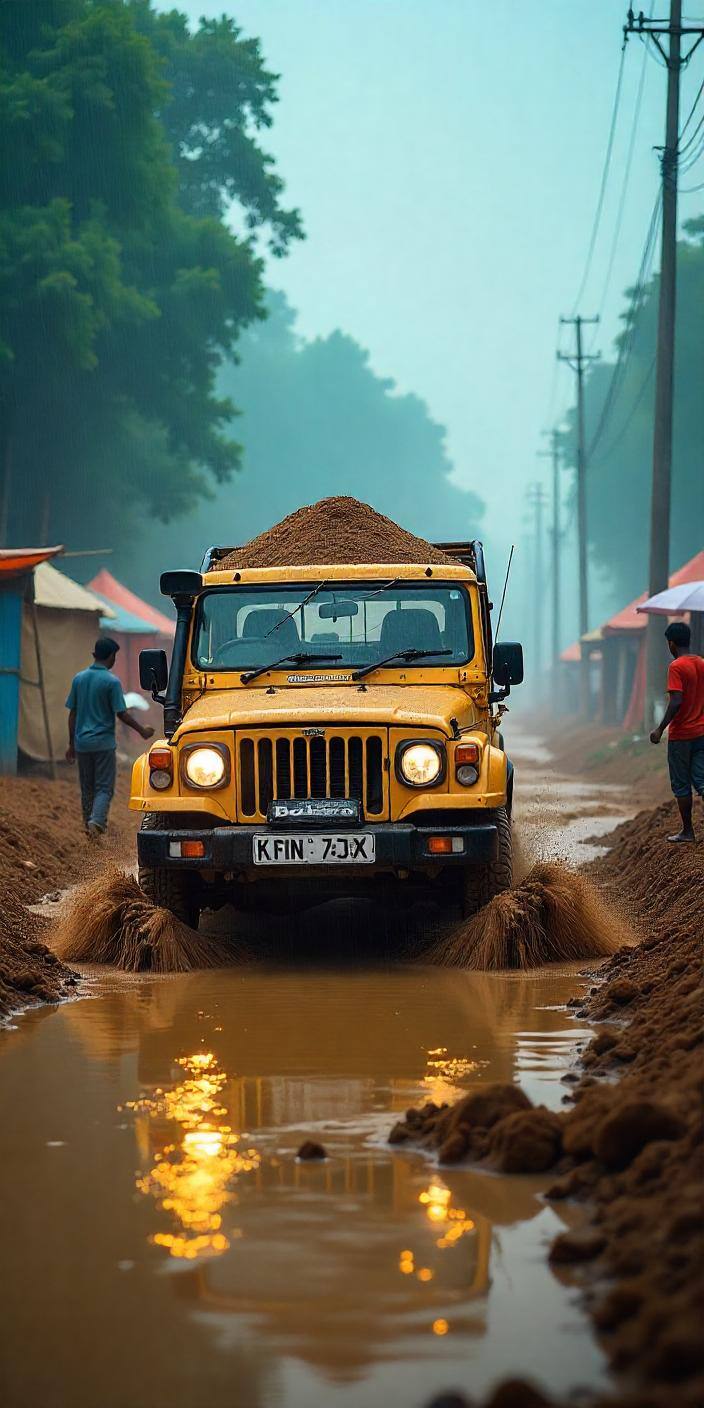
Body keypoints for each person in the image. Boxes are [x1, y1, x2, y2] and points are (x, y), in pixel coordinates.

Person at [66, 637, 154, 838]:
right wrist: (142, 731)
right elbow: (121, 713)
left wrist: (71, 744)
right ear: (112, 656)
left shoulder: (79, 679)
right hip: (103, 743)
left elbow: (73, 713)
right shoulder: (111, 681)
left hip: (82, 744)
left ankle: (88, 824)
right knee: (104, 787)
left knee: (87, 787)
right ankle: (96, 821)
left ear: (94, 655)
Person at [649, 621, 704, 843]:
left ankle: (688, 831)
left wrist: (660, 729)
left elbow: (676, 701)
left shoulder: (676, 666)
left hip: (682, 735)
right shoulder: (701, 662)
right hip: (702, 733)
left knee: (681, 784)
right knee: (701, 780)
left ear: (671, 643)